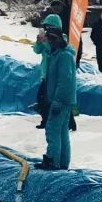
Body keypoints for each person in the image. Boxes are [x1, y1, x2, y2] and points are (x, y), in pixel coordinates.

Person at [39, 15, 77, 171]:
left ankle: (53, 161)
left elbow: (65, 81)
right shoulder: (56, 54)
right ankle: (62, 163)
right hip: (59, 100)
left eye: (49, 40)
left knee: (53, 130)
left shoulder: (64, 56)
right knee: (62, 132)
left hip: (61, 101)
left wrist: (58, 101)